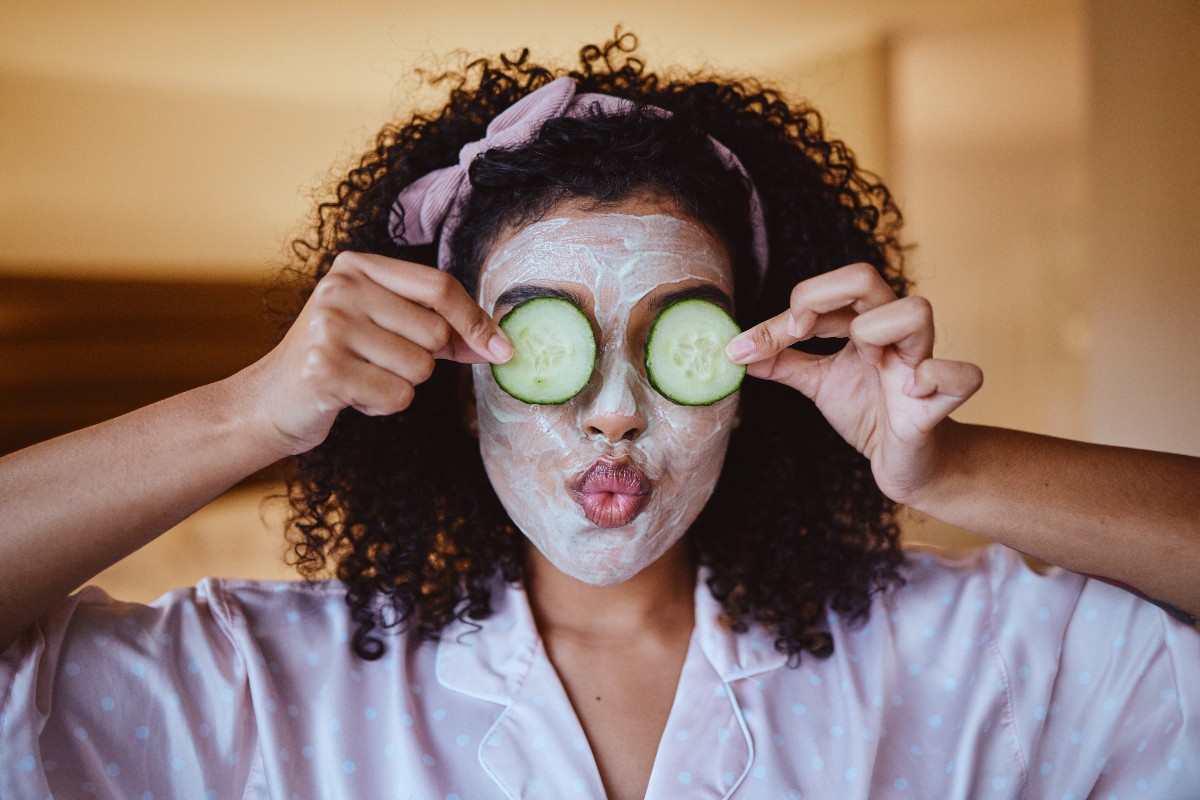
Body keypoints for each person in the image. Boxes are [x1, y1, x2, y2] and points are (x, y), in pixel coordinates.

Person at [2, 33, 1198, 800]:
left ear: (750, 381)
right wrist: (245, 413)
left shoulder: (965, 662)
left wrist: (953, 470)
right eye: (545, 342)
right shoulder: (262, 686)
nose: (615, 411)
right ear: (462, 389)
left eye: (673, 341)